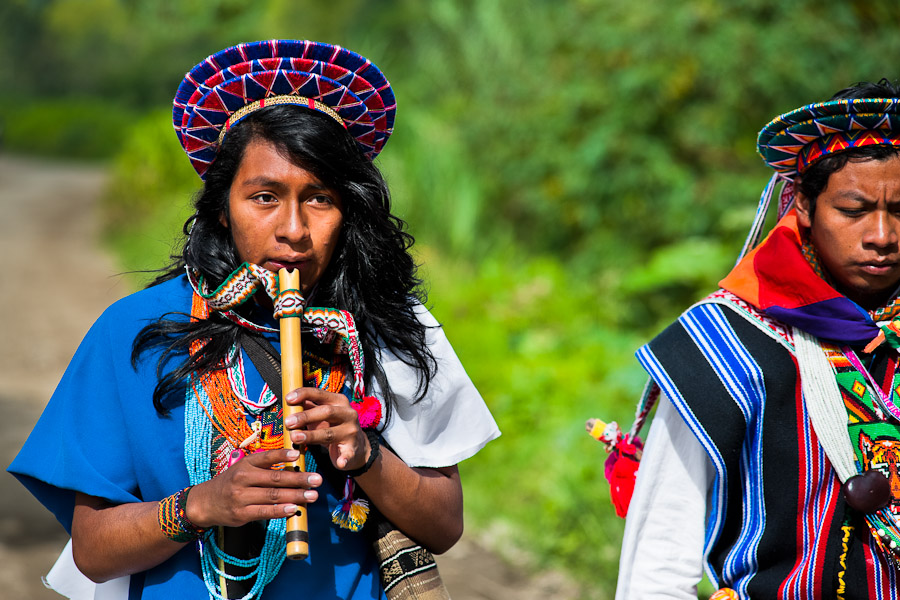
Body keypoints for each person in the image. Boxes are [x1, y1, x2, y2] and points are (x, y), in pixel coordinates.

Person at [8, 39, 500, 600]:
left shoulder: (392, 326)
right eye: (264, 197)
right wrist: (203, 504)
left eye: (320, 199)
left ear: (349, 208)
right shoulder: (137, 330)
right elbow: (93, 552)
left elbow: (445, 526)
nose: (293, 229)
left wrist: (364, 454)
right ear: (222, 206)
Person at [615, 80, 900, 599]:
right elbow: (663, 541)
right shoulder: (727, 345)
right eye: (854, 210)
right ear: (804, 207)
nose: (882, 235)